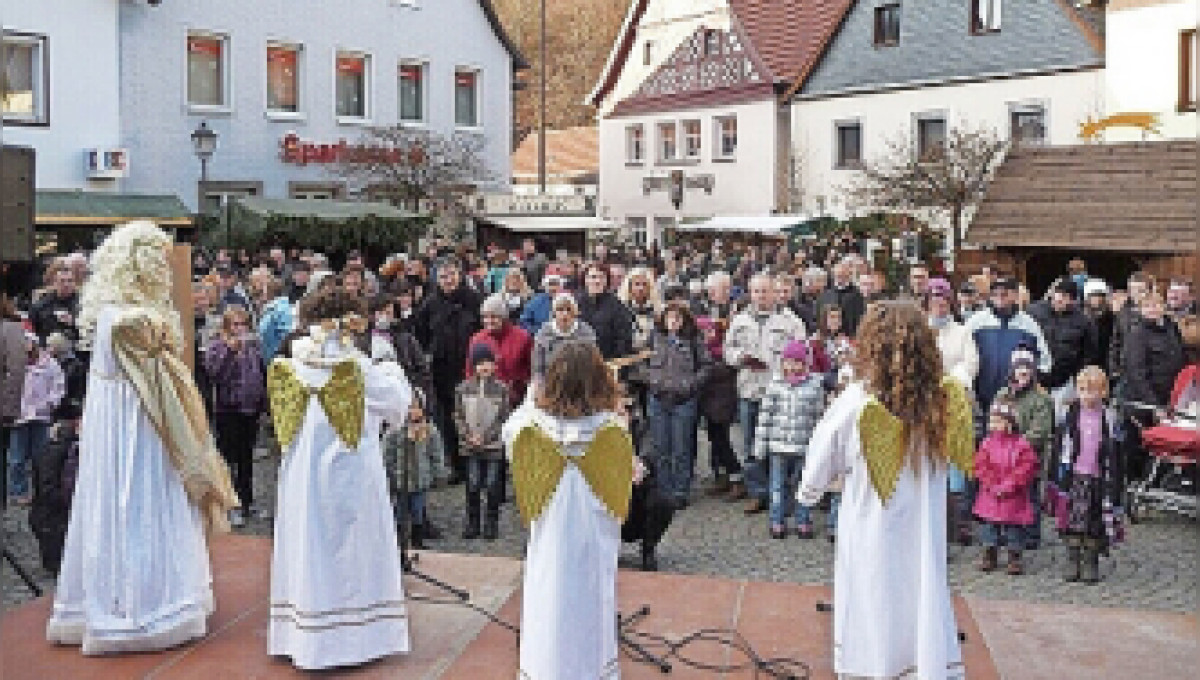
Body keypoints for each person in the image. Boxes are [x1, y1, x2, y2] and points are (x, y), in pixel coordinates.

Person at [48, 221, 238, 654]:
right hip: (140, 426)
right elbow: (167, 388)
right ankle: (144, 608)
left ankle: (115, 600)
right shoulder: (133, 321)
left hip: (119, 421)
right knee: (139, 503)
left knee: (115, 506)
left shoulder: (108, 314)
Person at [796, 301, 974, 679]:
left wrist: (817, 490)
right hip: (924, 533)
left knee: (873, 603)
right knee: (922, 598)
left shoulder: (857, 402)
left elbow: (815, 471)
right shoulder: (945, 402)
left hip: (870, 528)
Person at [266, 286, 412, 670]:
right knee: (352, 548)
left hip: (302, 476)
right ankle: (351, 640)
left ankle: (302, 633)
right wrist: (392, 369)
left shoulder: (292, 364)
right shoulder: (355, 365)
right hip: (348, 472)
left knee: (308, 545)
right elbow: (397, 403)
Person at [505, 343, 633, 680]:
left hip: (551, 543)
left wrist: (531, 398)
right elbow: (621, 491)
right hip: (591, 544)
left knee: (548, 602)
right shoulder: (613, 430)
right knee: (592, 605)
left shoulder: (530, 428)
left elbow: (512, 431)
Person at [724, 273, 807, 512]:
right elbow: (728, 352)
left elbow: (803, 353)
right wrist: (742, 358)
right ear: (750, 293)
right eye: (757, 291)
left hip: (780, 392)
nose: (761, 296)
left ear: (774, 292)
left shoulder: (790, 321)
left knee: (781, 445)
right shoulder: (740, 320)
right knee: (751, 445)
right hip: (750, 389)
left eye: (765, 291)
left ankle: (780, 493)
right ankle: (758, 492)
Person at [1050, 366, 1123, 584]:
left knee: (1094, 519)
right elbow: (1059, 447)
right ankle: (1073, 556)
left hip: (1099, 476)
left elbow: (1117, 452)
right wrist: (1057, 476)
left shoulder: (1108, 418)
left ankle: (1091, 558)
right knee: (1073, 517)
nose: (1087, 396)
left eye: (1093, 391)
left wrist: (1115, 479)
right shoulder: (1069, 415)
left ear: (1103, 392)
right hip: (1074, 474)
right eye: (1083, 390)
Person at [414, 257, 482, 483]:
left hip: (470, 366)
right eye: (443, 276)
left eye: (452, 275)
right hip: (442, 369)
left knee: (473, 416)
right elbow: (422, 334)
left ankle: (476, 463)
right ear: (437, 279)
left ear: (460, 275)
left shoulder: (473, 299)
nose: (448, 280)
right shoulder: (430, 303)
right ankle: (456, 464)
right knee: (449, 419)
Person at [640, 301, 711, 508]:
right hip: (658, 397)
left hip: (684, 399)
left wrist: (691, 384)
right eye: (669, 317)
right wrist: (652, 380)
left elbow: (706, 366)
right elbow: (641, 362)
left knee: (682, 447)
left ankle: (681, 490)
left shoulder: (693, 339)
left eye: (677, 318)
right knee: (661, 447)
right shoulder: (654, 337)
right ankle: (664, 489)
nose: (673, 322)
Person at [754, 339, 824, 539]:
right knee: (777, 485)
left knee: (804, 484)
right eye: (788, 362)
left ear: (804, 364)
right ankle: (777, 520)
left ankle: (803, 519)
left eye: (797, 362)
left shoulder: (814, 386)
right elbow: (765, 416)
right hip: (778, 446)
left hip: (803, 445)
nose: (792, 367)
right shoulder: (775, 385)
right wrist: (760, 445)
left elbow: (818, 418)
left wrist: (818, 446)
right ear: (783, 363)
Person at [204, 305, 267, 527]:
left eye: (244, 324)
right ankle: (230, 504)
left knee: (246, 458)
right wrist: (230, 352)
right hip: (228, 409)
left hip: (250, 408)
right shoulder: (217, 346)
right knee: (228, 458)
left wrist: (263, 402)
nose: (240, 329)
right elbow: (215, 373)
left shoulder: (254, 346)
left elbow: (260, 372)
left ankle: (248, 500)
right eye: (236, 325)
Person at [992, 346, 1055, 550]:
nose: (1023, 375)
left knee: (1030, 496)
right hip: (1002, 458)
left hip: (1028, 458)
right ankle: (1004, 531)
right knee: (1005, 494)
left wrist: (1016, 448)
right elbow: (994, 422)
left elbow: (1040, 430)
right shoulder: (1002, 395)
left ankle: (1030, 534)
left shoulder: (1041, 399)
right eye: (1019, 370)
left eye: (1027, 371)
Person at [965, 276, 1052, 412]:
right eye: (995, 293)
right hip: (981, 397)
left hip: (1018, 400)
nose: (999, 296)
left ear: (1015, 295)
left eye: (1005, 293)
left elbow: (1044, 361)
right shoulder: (975, 322)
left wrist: (1032, 384)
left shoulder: (1029, 324)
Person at [973, 399, 1040, 575]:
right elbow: (981, 465)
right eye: (991, 421)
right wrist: (991, 484)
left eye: (997, 421)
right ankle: (989, 552)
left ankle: (1014, 556)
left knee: (1014, 527)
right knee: (989, 525)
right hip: (991, 493)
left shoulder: (1021, 445)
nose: (993, 425)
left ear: (1009, 423)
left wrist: (1010, 485)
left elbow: (1026, 467)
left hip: (1013, 494)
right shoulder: (987, 443)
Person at [454, 345, 511, 540]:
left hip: (493, 445)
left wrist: (486, 437)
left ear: (495, 365)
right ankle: (472, 522)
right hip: (470, 445)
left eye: (488, 363)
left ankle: (491, 522)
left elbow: (503, 418)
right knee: (472, 484)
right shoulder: (463, 388)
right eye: (480, 363)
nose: (484, 367)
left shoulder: (502, 389)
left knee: (493, 484)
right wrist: (468, 436)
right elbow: (458, 416)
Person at [1028, 280, 1100, 421]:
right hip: (1035, 377)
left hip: (1066, 381)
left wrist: (1078, 379)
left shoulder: (1084, 321)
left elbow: (1089, 353)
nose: (1060, 298)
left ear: (1073, 300)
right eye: (1058, 293)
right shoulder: (1033, 312)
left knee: (1062, 420)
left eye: (1065, 296)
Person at [383, 390, 446, 549]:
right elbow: (387, 454)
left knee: (418, 512)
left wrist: (439, 474)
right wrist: (388, 476)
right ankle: (398, 542)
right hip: (400, 481)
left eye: (416, 407)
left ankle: (418, 541)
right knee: (399, 513)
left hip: (420, 479)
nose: (413, 412)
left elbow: (436, 453)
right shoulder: (395, 430)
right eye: (410, 408)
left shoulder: (429, 430)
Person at [7, 335, 64, 505]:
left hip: (41, 416)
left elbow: (58, 385)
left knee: (40, 457)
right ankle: (19, 491)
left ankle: (40, 490)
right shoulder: (13, 362)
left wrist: (51, 403)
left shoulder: (50, 364)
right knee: (17, 458)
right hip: (20, 417)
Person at [466, 294, 533, 406]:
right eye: (485, 317)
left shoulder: (523, 337)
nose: (489, 321)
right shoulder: (477, 339)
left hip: (517, 399)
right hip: (487, 400)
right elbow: (470, 370)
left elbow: (531, 368)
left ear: (503, 317)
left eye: (494, 316)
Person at [531, 293, 597, 380]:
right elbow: (537, 368)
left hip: (579, 379)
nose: (565, 314)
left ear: (575, 312)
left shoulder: (586, 332)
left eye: (569, 309)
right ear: (554, 313)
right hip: (550, 380)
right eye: (560, 309)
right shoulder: (543, 332)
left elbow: (592, 363)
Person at [577, 263, 634, 362]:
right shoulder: (575, 303)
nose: (597, 281)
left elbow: (624, 338)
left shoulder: (617, 305)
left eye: (601, 277)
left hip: (608, 362)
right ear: (585, 280)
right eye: (593, 277)